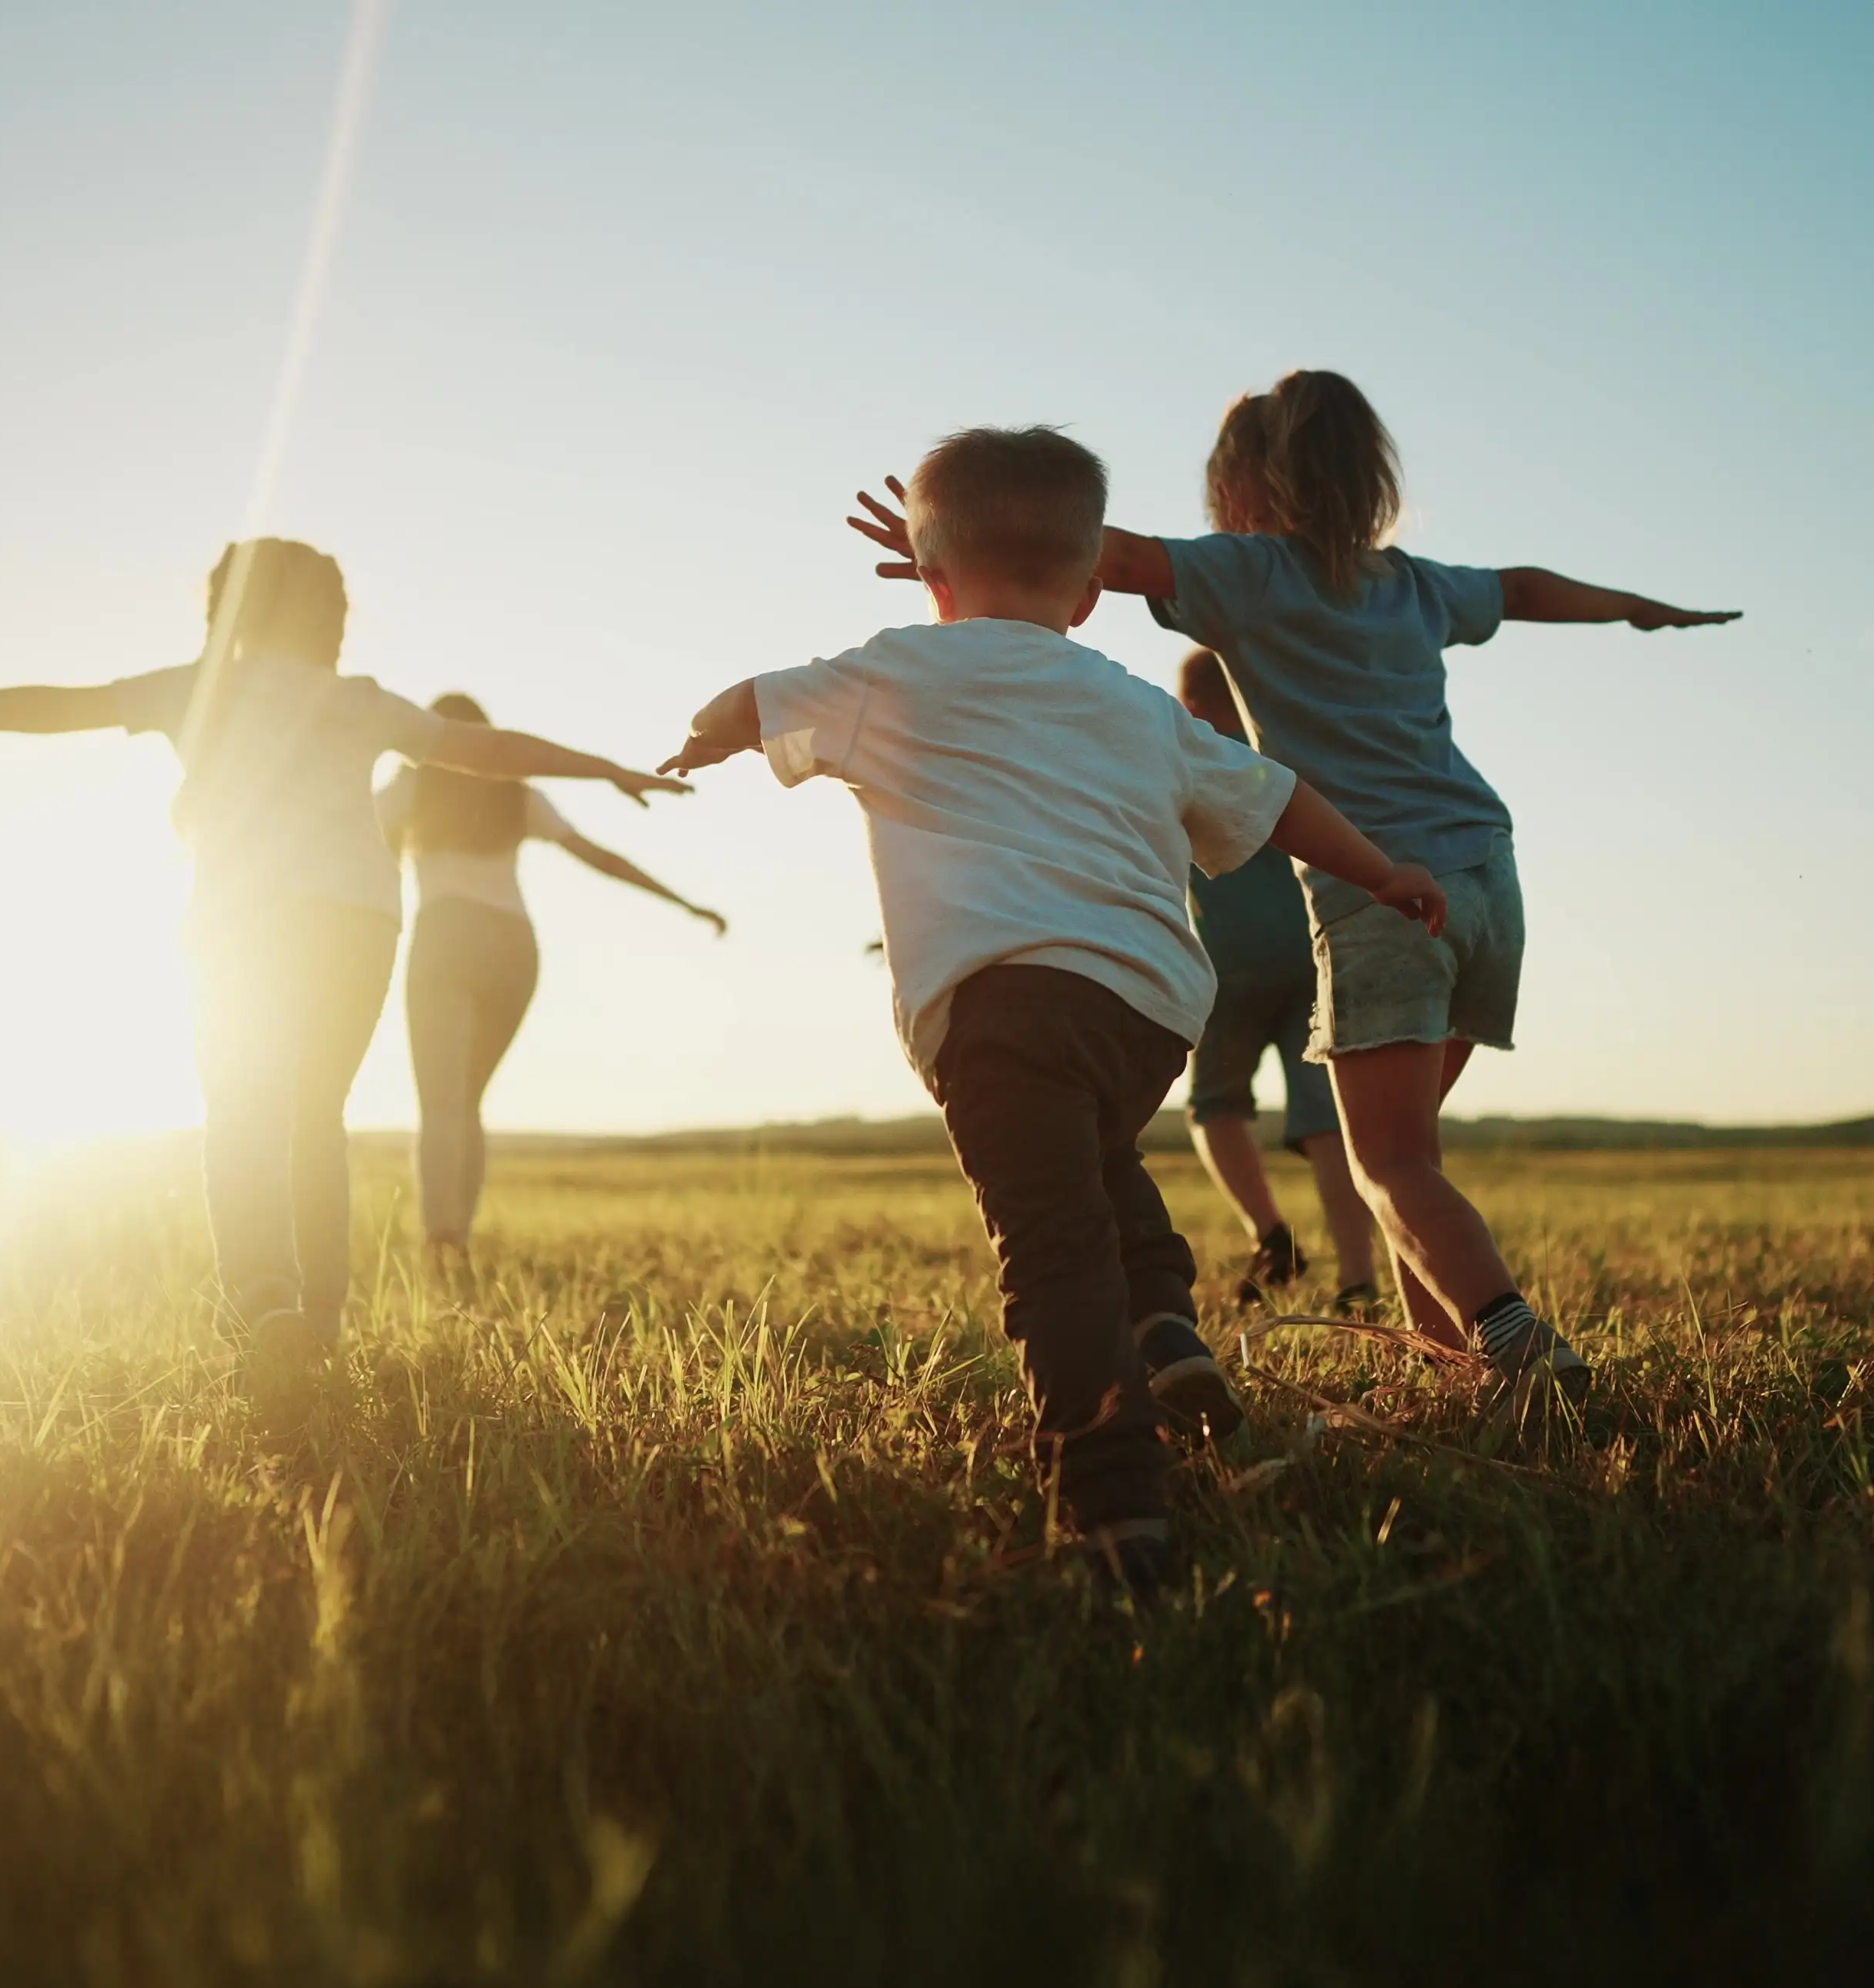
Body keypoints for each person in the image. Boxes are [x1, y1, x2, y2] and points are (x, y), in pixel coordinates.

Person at [849, 372, 1735, 1400]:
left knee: (1389, 1167)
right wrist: (1639, 610)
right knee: (1413, 1156)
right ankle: (1449, 1369)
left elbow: (1097, 552)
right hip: (1488, 876)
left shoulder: (1250, 572)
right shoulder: (1411, 582)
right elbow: (1529, 586)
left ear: (1242, 488)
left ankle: (1513, 1339)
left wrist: (948, 548)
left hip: (1382, 892)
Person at [667, 426, 1445, 1593]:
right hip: (1145, 1010)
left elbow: (751, 700)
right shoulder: (1136, 703)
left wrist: (699, 741)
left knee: (1049, 1247)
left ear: (930, 578)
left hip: (997, 1004)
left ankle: (1114, 1497)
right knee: (1092, 1166)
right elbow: (1279, 800)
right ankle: (1166, 1324)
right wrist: (1383, 871)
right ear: (1089, 594)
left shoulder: (893, 668)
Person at [0, 539, 683, 1387]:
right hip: (359, 922)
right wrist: (601, 768)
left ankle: (267, 1306)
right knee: (316, 1116)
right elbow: (486, 753)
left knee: (242, 1107)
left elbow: (53, 707)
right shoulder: (359, 701)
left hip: (244, 922)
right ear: (326, 620)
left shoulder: (197, 688)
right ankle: (321, 1321)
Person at [381, 691, 729, 1289]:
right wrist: (687, 904)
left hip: (445, 938)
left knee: (442, 1106)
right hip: (513, 949)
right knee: (466, 1103)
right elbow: (601, 857)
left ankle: (442, 1246)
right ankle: (455, 1243)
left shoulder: (409, 791)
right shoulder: (517, 794)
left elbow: (348, 845)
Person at [1172, 650, 1384, 1318]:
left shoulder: (1186, 756)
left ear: (1194, 705)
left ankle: (1272, 1234)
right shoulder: (1289, 750)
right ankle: (1358, 1278)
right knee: (1329, 1124)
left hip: (1228, 965)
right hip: (1312, 956)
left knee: (1215, 1105)